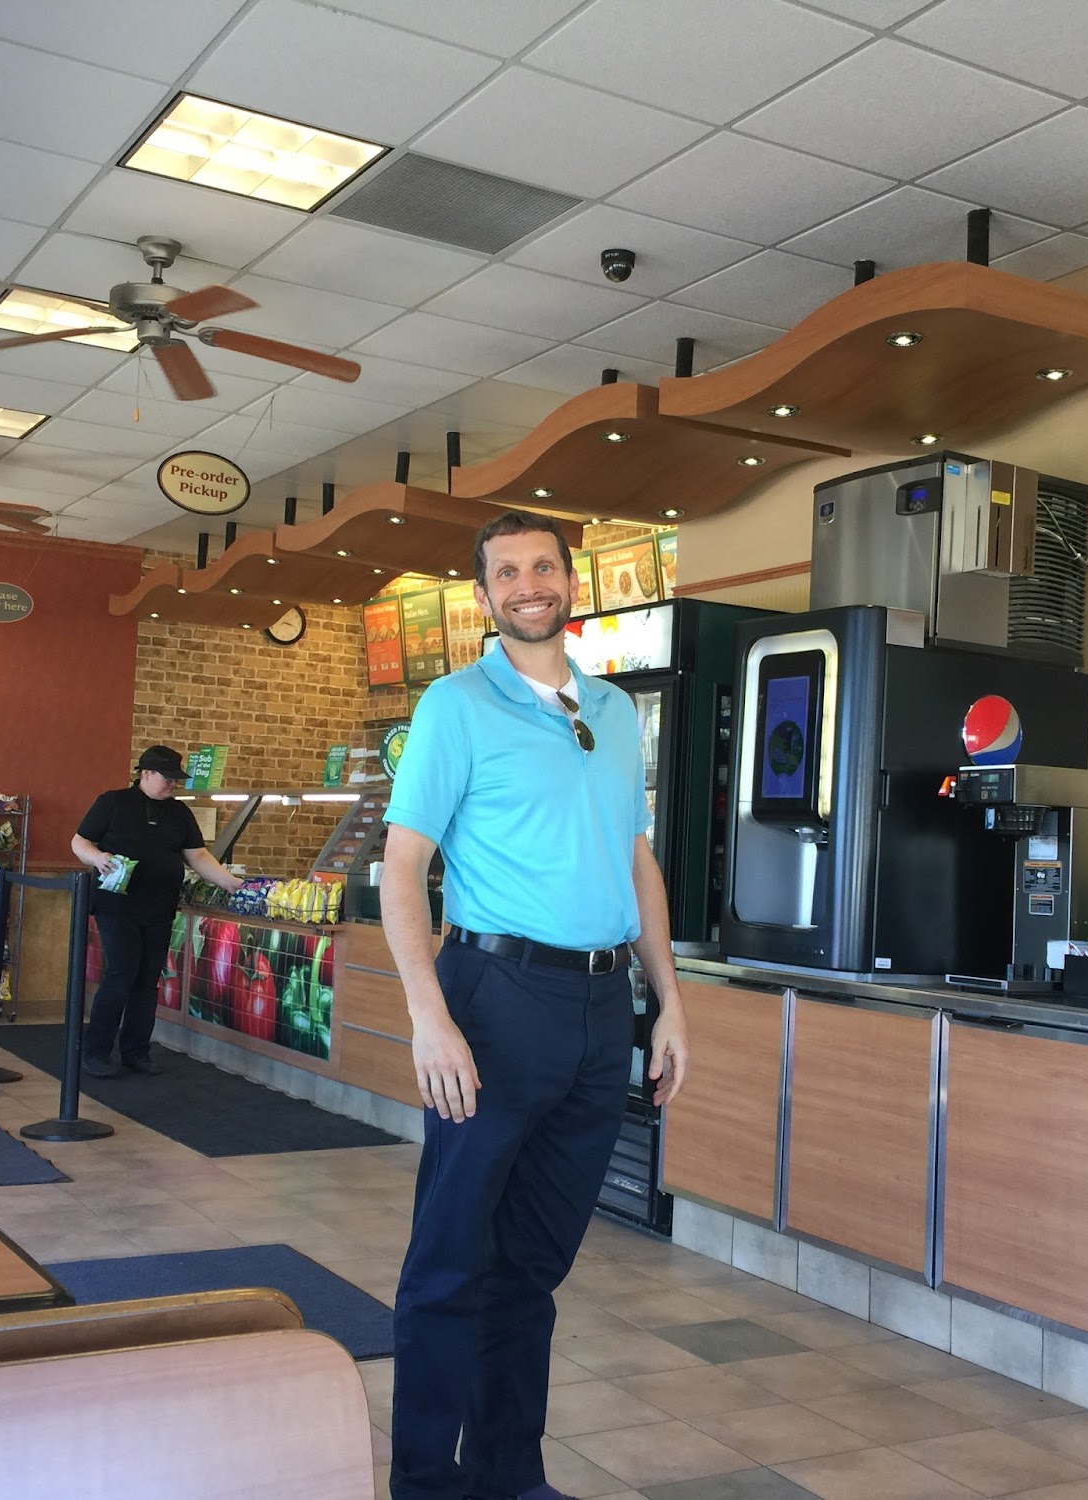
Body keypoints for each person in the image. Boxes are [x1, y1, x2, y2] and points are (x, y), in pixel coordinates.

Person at [382, 513, 690, 1500]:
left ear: (571, 581)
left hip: (601, 1008)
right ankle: (424, 1482)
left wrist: (667, 1002)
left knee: (533, 1265)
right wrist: (430, 1016)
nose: (528, 584)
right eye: (506, 572)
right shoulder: (454, 705)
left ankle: (507, 1475)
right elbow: (401, 869)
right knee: (449, 1261)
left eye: (544, 566)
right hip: (494, 999)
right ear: (483, 595)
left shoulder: (611, 710)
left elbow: (636, 860)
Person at [71, 745, 242, 1078]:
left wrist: (231, 883)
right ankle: (96, 1052)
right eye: (168, 778)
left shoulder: (179, 812)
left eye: (176, 779)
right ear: (145, 774)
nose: (173, 784)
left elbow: (198, 856)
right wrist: (98, 858)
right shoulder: (112, 802)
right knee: (120, 974)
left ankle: (136, 1052)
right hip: (116, 906)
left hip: (160, 908)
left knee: (148, 980)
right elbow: (79, 841)